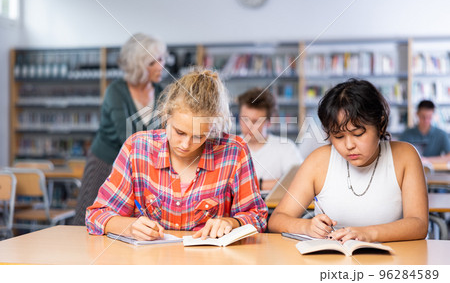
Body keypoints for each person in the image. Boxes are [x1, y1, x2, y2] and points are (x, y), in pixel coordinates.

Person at [86, 69, 268, 240]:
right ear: (166, 116)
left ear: (213, 128)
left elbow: (258, 217)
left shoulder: (234, 151)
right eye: (180, 132)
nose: (186, 144)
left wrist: (232, 222)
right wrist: (129, 226)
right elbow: (97, 215)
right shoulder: (137, 148)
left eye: (198, 136)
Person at [268, 79, 428, 243]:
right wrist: (306, 226)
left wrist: (367, 234)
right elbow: (277, 219)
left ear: (380, 125)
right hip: (329, 261)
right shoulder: (318, 161)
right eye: (338, 136)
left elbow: (419, 224)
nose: (349, 145)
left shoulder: (405, 156)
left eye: (358, 133)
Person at [73, 33, 167, 225]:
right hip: (105, 163)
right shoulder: (116, 91)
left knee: (127, 222)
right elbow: (129, 137)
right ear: (138, 65)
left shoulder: (161, 92)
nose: (161, 66)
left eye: (162, 59)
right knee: (87, 218)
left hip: (143, 165)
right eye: (152, 62)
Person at [238, 88, 303, 191]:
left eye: (255, 121)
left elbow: (299, 181)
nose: (248, 126)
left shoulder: (286, 147)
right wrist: (273, 183)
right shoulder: (229, 147)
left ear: (268, 122)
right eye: (244, 119)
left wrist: (251, 184)